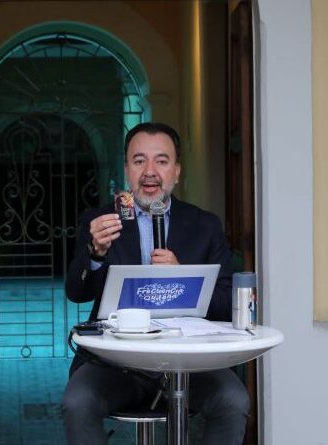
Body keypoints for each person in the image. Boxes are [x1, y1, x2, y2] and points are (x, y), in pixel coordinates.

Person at [61, 122, 249, 445]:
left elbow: (226, 304)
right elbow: (76, 293)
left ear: (176, 172)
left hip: (190, 364)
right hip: (117, 365)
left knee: (233, 400)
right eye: (139, 161)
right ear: (126, 170)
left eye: (161, 161)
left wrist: (183, 276)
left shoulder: (205, 226)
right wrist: (94, 253)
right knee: (76, 403)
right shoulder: (102, 222)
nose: (150, 172)